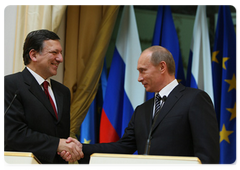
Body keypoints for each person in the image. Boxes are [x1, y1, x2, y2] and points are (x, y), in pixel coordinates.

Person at [61, 46, 220, 165]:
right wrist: (80, 149)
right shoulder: (142, 110)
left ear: (162, 67)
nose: (139, 78)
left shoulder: (195, 99)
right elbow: (122, 147)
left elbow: (208, 156)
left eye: (143, 71)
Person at [2, 29, 84, 164]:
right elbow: (14, 134)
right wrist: (58, 144)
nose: (60, 59)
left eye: (61, 53)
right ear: (33, 55)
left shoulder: (63, 91)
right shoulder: (11, 84)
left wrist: (66, 150)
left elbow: (61, 136)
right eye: (54, 53)